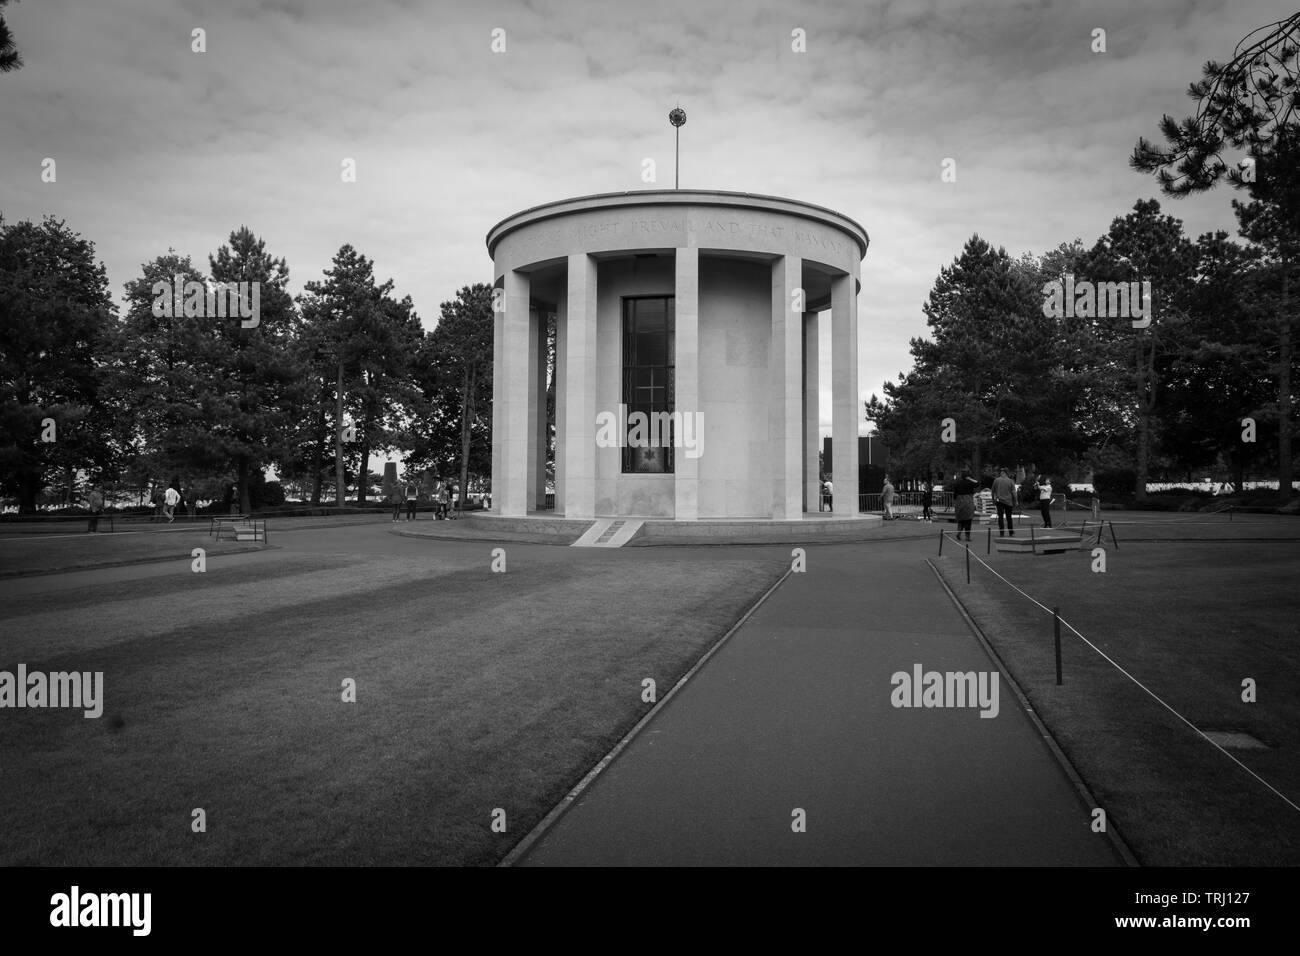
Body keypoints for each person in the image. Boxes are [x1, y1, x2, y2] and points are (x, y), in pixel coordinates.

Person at [952, 470, 978, 541]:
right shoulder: (969, 482)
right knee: (968, 519)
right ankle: (967, 536)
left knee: (961, 518)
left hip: (959, 501)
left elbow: (954, 494)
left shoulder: (957, 483)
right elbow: (978, 483)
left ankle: (959, 531)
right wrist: (970, 479)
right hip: (968, 500)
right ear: (968, 476)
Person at [992, 467, 1017, 537]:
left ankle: (1002, 532)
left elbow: (993, 491)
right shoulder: (1011, 481)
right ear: (1007, 473)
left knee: (1000, 517)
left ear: (1003, 473)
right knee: (1009, 517)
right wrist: (1016, 501)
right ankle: (1011, 532)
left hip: (999, 501)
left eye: (1001, 472)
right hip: (1009, 501)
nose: (1000, 473)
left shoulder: (996, 480)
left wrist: (993, 499)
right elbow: (1014, 492)